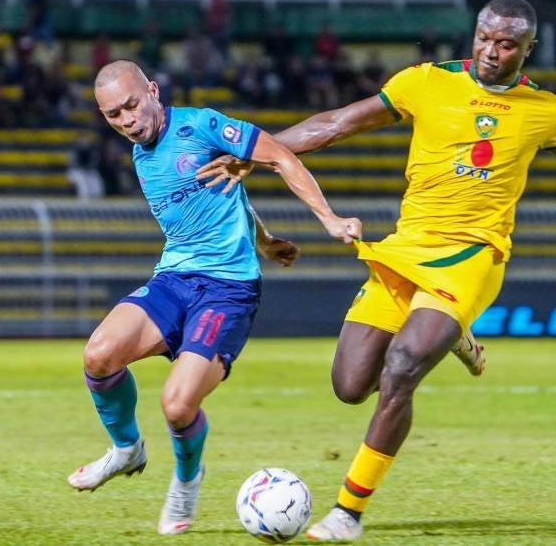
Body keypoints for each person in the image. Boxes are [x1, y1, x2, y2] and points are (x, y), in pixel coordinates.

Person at [197, 0, 556, 542]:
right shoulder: (424, 82)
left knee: (403, 365)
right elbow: (336, 123)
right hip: (407, 250)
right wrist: (258, 155)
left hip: (472, 257)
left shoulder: (545, 111)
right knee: (350, 385)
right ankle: (457, 337)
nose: (491, 51)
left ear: (528, 49)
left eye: (506, 44)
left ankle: (347, 513)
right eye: (484, 37)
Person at [67, 60, 361, 535]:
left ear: (154, 92)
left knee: (177, 405)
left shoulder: (201, 125)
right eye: (113, 115)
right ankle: (127, 449)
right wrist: (265, 238)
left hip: (227, 291)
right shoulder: (143, 156)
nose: (126, 121)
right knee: (99, 355)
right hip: (174, 280)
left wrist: (328, 219)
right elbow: (223, 198)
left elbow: (280, 155)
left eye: (131, 105)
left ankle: (187, 481)